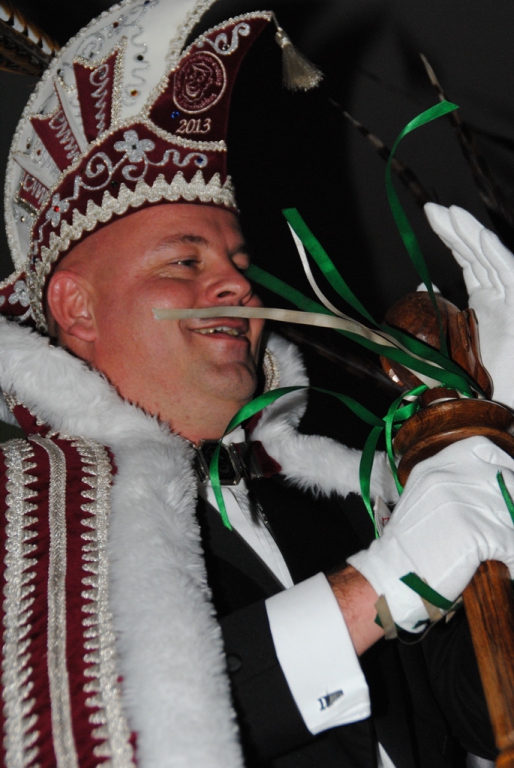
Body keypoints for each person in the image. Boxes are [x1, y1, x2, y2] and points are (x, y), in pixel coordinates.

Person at [0, 1, 513, 766]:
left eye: (240, 263)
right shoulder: (27, 518)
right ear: (77, 306)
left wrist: (495, 428)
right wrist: (375, 590)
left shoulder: (350, 504)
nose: (240, 287)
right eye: (185, 261)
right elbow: (85, 726)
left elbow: (485, 718)